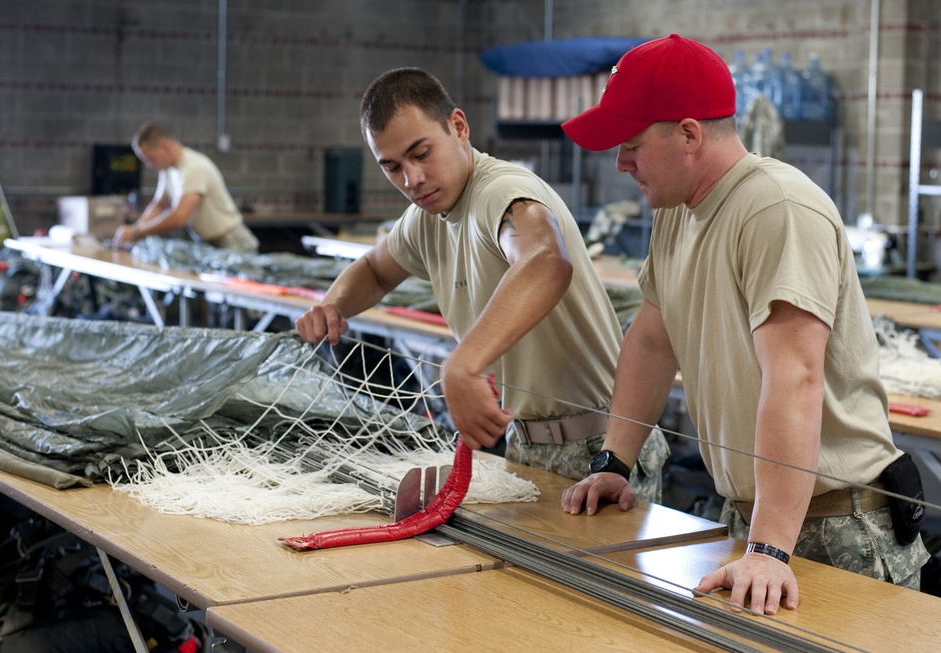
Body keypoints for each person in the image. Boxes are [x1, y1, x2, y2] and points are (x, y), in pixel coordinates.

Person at [559, 34, 929, 614]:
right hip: (760, 520)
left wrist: (770, 548)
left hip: (833, 526)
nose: (621, 162)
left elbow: (796, 378)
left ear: (688, 134)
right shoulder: (679, 212)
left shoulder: (776, 208)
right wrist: (615, 461)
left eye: (631, 144)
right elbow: (654, 343)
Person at [294, 67, 668, 497]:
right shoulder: (426, 217)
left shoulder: (501, 191)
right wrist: (333, 305)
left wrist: (463, 363)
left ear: (458, 126)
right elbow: (376, 269)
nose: (411, 180)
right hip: (526, 443)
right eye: (392, 167)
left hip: (600, 451)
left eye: (421, 154)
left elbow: (546, 260)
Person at [113, 122, 259, 253]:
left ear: (165, 147)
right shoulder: (168, 170)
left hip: (233, 244)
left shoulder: (194, 167)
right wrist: (133, 232)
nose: (150, 165)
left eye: (150, 158)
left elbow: (179, 218)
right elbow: (159, 205)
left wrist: (136, 232)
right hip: (209, 244)